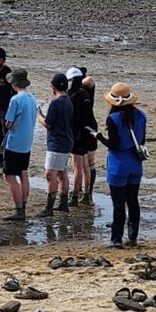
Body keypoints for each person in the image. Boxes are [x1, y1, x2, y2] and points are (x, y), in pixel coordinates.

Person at [95, 82, 146, 248]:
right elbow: (142, 141)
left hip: (118, 164)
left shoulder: (113, 119)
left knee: (118, 204)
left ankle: (116, 239)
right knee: (133, 201)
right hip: (135, 163)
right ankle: (133, 236)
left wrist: (99, 137)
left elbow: (114, 144)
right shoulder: (141, 116)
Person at [2, 68, 37, 220]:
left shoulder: (15, 100)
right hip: (27, 142)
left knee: (10, 176)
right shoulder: (32, 98)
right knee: (23, 173)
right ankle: (23, 204)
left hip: (15, 142)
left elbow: (8, 123)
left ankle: (18, 210)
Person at [36, 73, 74, 216]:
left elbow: (48, 124)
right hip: (66, 141)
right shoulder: (68, 101)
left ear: (53, 86)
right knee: (62, 172)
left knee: (50, 173)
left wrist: (38, 115)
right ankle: (63, 203)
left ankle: (49, 208)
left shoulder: (56, 102)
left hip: (57, 142)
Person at [66, 67, 97, 207]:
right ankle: (86, 195)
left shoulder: (72, 95)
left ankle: (75, 196)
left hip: (77, 133)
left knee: (78, 166)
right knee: (85, 165)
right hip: (88, 130)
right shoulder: (85, 93)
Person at [81, 70, 99, 204]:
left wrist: (78, 82)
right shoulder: (74, 92)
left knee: (89, 161)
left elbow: (90, 80)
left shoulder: (87, 87)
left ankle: (88, 193)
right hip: (81, 128)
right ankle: (83, 191)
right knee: (80, 163)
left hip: (90, 127)